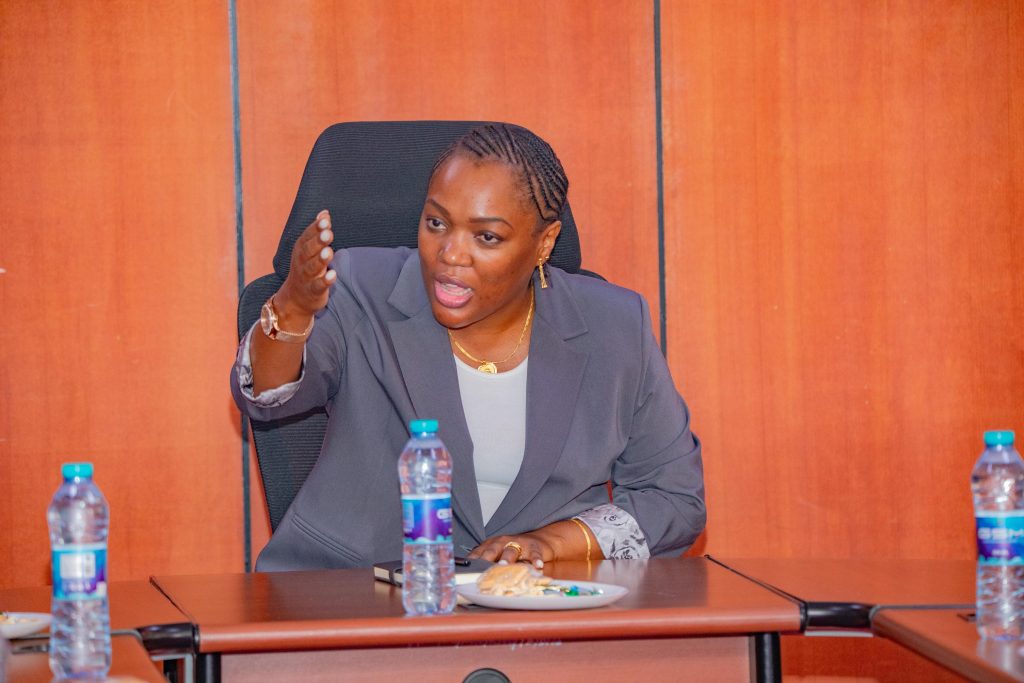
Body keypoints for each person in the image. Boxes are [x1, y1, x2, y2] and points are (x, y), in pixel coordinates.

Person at [232, 123, 705, 570]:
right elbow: (265, 395)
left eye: (487, 236)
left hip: (531, 604)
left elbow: (674, 497)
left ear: (544, 244)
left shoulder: (614, 326)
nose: (451, 254)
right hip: (353, 593)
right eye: (436, 223)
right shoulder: (359, 288)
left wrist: (553, 544)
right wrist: (291, 310)